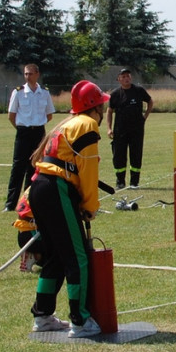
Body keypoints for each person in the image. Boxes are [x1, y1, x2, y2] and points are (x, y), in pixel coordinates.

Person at [28, 80, 110, 338]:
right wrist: (89, 205)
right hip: (57, 189)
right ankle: (81, 321)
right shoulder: (87, 125)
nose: (104, 110)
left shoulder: (63, 124)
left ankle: (43, 317)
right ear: (94, 107)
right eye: (102, 105)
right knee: (77, 258)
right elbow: (87, 169)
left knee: (55, 257)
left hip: (40, 187)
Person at [4, 64, 55, 211]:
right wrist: (22, 127)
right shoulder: (18, 92)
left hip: (38, 133)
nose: (27, 77)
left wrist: (36, 125)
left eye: (30, 74)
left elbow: (49, 114)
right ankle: (10, 204)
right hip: (23, 132)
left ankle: (29, 202)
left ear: (37, 74)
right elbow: (11, 115)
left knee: (35, 167)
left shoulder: (44, 93)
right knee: (18, 168)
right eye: (26, 74)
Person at [107, 68, 153, 189]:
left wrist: (145, 116)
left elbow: (150, 101)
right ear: (119, 79)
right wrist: (109, 128)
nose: (126, 78)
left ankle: (134, 182)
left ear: (131, 78)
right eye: (123, 76)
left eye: (128, 76)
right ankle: (120, 182)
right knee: (119, 156)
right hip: (120, 130)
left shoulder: (139, 90)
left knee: (136, 155)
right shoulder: (115, 94)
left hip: (136, 129)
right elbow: (109, 111)